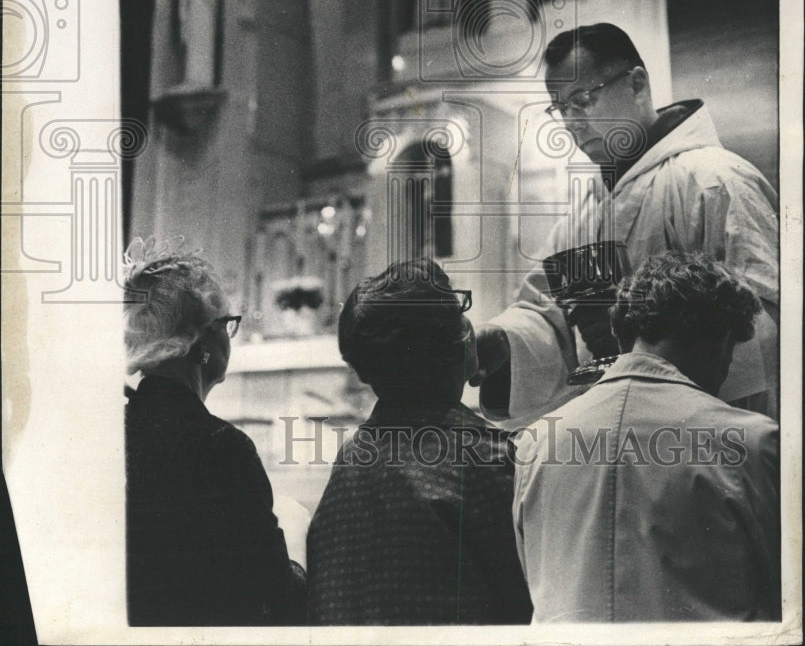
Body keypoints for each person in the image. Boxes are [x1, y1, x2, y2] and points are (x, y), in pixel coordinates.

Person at [472, 23, 779, 425]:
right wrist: (502, 340)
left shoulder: (715, 181)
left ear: (636, 85)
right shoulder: (582, 216)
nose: (572, 123)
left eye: (583, 99)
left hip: (709, 431)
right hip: (613, 429)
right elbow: (548, 313)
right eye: (561, 108)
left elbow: (768, 320)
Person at [513, 251, 781, 622]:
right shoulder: (753, 441)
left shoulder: (537, 439)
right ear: (722, 338)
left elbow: (537, 581)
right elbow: (784, 594)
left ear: (622, 331)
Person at [306, 259, 532, 625]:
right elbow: (531, 601)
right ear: (451, 343)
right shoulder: (485, 457)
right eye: (459, 313)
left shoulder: (351, 459)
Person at [123, 237, 306, 626]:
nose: (228, 336)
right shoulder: (221, 447)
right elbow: (272, 589)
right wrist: (301, 565)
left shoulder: (116, 430)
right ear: (201, 341)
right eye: (225, 324)